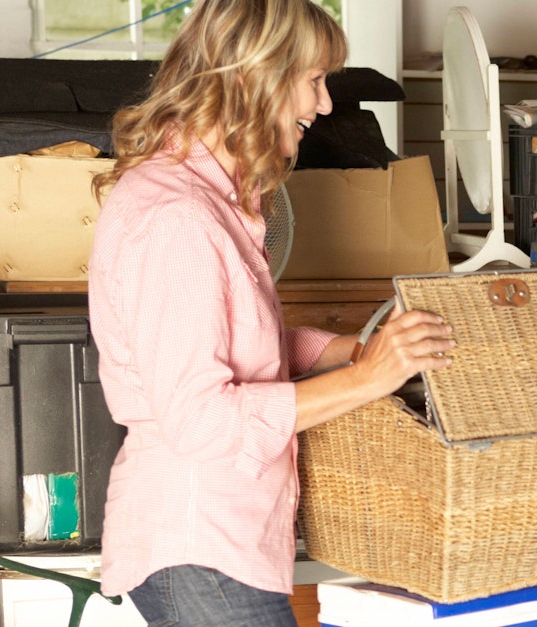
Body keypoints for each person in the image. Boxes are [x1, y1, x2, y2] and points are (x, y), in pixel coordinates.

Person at [87, 1, 455, 624]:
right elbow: (202, 421)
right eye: (313, 81)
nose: (325, 104)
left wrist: (345, 351)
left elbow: (237, 340)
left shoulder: (212, 199)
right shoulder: (180, 219)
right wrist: (367, 380)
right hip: (198, 541)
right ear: (253, 79)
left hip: (221, 543)